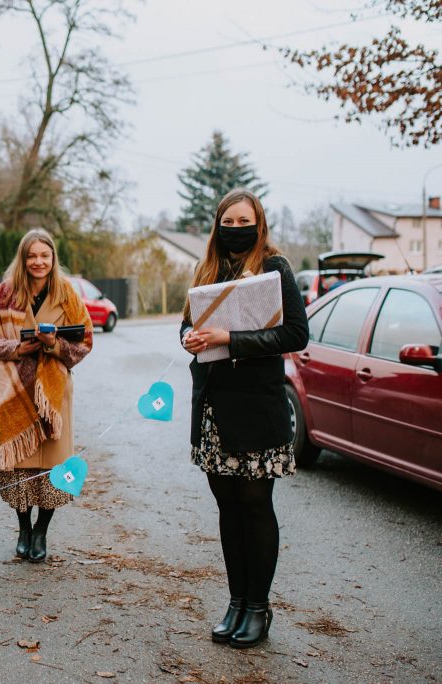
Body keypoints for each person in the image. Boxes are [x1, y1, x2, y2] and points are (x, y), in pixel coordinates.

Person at [180, 189, 309, 649]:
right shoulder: (207, 270)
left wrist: (231, 338)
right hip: (214, 408)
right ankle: (236, 601)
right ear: (218, 226)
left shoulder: (275, 267)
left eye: (243, 220)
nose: (235, 228)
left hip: (257, 410)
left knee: (255, 507)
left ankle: (258, 607)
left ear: (259, 222)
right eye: (227, 221)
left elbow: (296, 332)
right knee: (227, 509)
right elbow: (186, 326)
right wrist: (191, 340)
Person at [0, 228, 93, 563]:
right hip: (15, 392)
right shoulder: (5, 293)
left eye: (45, 255)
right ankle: (23, 529)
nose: (38, 262)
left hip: (54, 397)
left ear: (53, 258)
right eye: (32, 256)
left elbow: (85, 341)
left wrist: (54, 345)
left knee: (52, 467)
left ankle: (41, 533)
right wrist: (18, 347)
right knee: (19, 470)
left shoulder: (67, 293)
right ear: (23, 258)